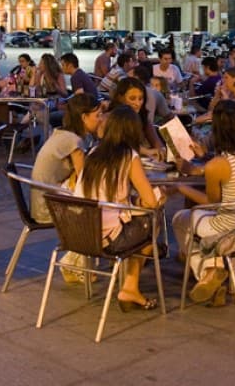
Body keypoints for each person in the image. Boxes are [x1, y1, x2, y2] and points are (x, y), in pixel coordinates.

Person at [172, 100, 235, 304]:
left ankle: (209, 273)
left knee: (180, 219)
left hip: (229, 227)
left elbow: (211, 205)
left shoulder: (218, 165)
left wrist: (180, 187)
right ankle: (212, 273)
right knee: (198, 223)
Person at [73, 105, 165, 310]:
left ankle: (131, 284)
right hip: (108, 240)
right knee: (153, 219)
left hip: (78, 235)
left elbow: (108, 196)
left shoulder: (94, 152)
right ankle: (130, 286)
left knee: (141, 220)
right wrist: (160, 197)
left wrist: (136, 202)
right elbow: (151, 202)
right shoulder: (129, 156)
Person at [30, 93, 103, 222]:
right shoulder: (73, 141)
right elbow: (85, 179)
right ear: (84, 117)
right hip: (49, 209)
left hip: (41, 203)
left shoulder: (62, 133)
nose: (101, 119)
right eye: (97, 115)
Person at [109, 76, 165, 157]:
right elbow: (120, 145)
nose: (137, 103)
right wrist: (147, 151)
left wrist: (162, 150)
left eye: (140, 98)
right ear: (120, 98)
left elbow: (157, 143)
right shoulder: (111, 118)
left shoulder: (142, 117)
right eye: (132, 98)